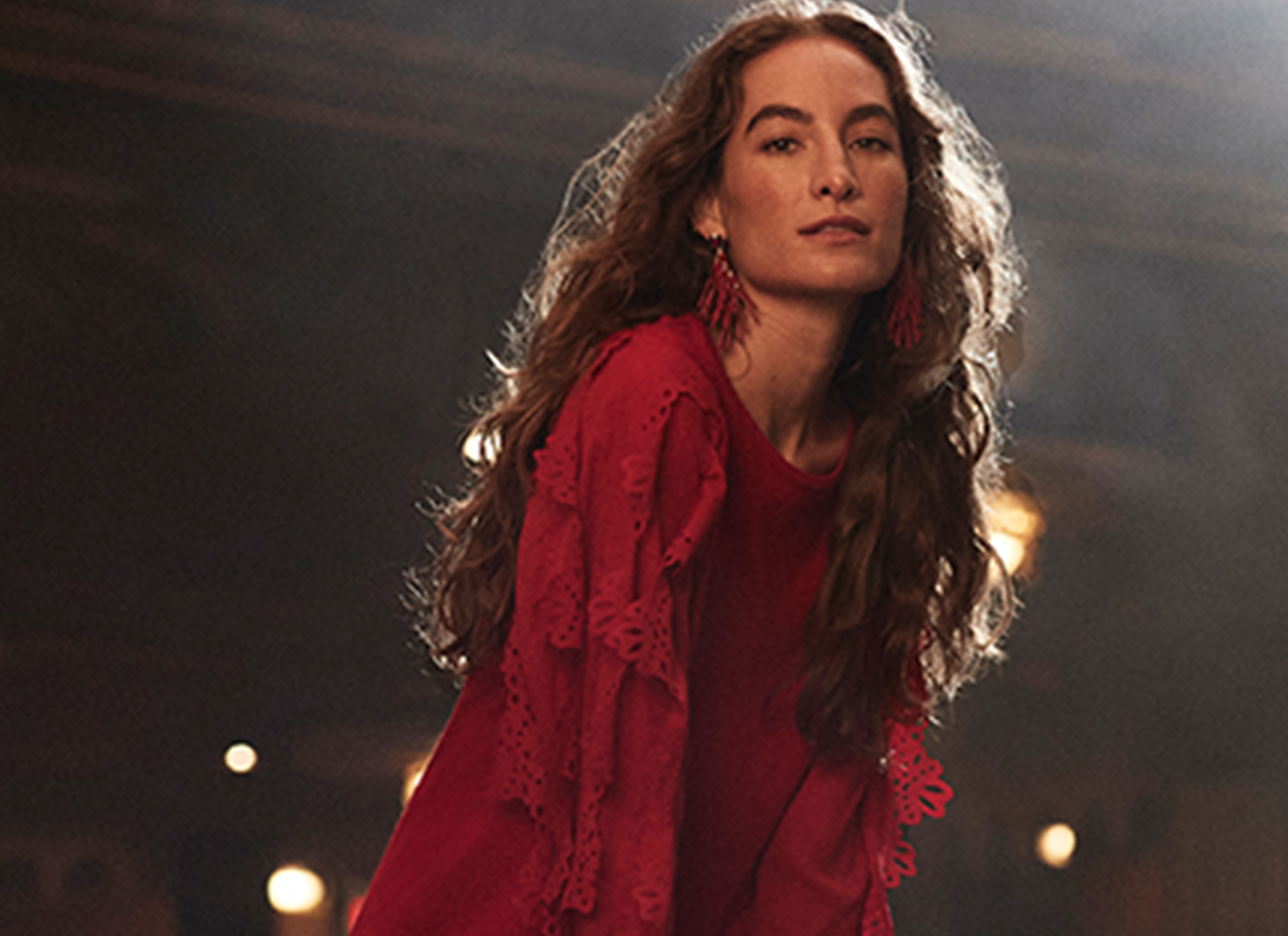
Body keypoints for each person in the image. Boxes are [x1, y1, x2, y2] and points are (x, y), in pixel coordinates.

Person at [351, 1, 1020, 933]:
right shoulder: (656, 394)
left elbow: (821, 846)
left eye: (870, 141)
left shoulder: (891, 457)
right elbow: (615, 800)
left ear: (910, 192)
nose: (837, 176)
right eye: (783, 143)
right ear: (710, 206)